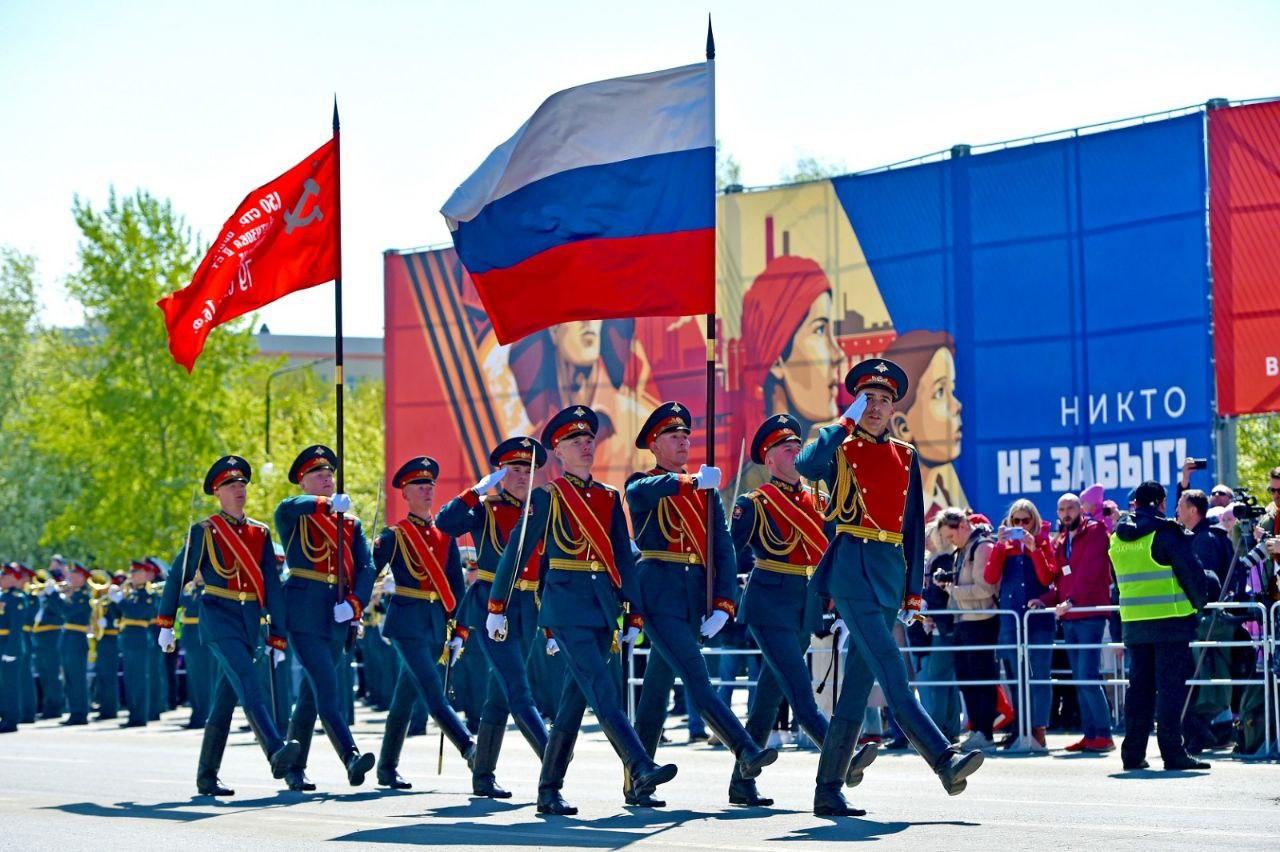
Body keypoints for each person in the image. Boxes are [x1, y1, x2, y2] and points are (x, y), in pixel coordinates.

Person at [796, 358, 984, 816]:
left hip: (886, 570)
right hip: (851, 567)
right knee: (893, 669)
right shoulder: (839, 445)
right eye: (867, 399)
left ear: (894, 406)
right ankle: (944, 759)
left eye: (883, 400)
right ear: (856, 403)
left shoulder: (905, 454)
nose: (875, 407)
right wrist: (844, 421)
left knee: (857, 691)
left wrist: (912, 591)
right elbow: (806, 463)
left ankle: (827, 789)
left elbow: (912, 529)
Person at [486, 405, 678, 815]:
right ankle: (639, 764)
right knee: (604, 691)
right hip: (565, 606)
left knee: (574, 703)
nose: (586, 446)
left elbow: (623, 559)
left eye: (589, 440)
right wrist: (497, 605)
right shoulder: (547, 496)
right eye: (576, 441)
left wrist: (634, 612)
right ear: (557, 451)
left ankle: (548, 789)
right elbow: (516, 554)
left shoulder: (607, 497)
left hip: (601, 608)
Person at [626, 402, 778, 808]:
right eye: (673, 436)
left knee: (656, 692)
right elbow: (639, 494)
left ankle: (636, 778)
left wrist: (724, 603)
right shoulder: (646, 482)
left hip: (693, 596)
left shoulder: (704, 491)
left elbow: (723, 549)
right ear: (654, 445)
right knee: (697, 678)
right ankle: (745, 749)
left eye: (686, 435)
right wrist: (690, 482)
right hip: (657, 593)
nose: (683, 441)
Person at [730, 413, 878, 809]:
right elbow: (729, 555)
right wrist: (719, 602)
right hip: (767, 603)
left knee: (767, 695)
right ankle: (841, 762)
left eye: (797, 444)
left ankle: (741, 782)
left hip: (805, 605)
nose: (794, 450)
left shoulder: (819, 501)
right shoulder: (754, 503)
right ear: (768, 459)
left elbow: (832, 553)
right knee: (801, 695)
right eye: (784, 447)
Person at [156, 455, 301, 796]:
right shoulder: (205, 531)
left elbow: (271, 586)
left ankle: (207, 776)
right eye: (231, 485)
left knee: (224, 702)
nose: (239, 490)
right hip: (218, 616)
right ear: (217, 493)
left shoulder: (259, 532)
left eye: (242, 485)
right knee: (250, 683)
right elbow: (178, 576)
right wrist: (166, 622)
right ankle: (275, 750)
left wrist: (277, 634)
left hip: (249, 621)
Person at [436, 436, 551, 798]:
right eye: (513, 469)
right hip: (490, 605)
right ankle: (554, 760)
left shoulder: (541, 510)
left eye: (526, 470)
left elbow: (546, 566)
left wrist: (549, 623)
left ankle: (482, 774)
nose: (520, 476)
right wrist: (473, 492)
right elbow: (446, 523)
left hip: (528, 605)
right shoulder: (486, 506)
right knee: (518, 686)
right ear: (500, 474)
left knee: (500, 692)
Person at [274, 444, 376, 790]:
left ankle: (294, 768)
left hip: (337, 612)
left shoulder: (350, 523)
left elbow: (367, 567)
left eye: (329, 474)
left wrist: (356, 602)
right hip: (304, 610)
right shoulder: (295, 513)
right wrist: (324, 505)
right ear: (302, 483)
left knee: (311, 693)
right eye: (317, 475)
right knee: (326, 686)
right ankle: (350, 756)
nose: (326, 479)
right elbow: (287, 507)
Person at [371, 456, 476, 789]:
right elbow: (366, 572)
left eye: (430, 484)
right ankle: (469, 747)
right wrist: (352, 598)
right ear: (405, 492)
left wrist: (459, 628)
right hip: (405, 623)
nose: (428, 490)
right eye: (420, 485)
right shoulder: (393, 536)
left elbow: (456, 588)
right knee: (433, 691)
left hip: (434, 623)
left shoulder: (444, 535)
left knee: (405, 696)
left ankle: (387, 767)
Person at [1113, 481, 1211, 771]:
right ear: (1159, 502)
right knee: (1169, 690)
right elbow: (1190, 572)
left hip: (1134, 624)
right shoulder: (1167, 532)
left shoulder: (1116, 537)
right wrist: (1199, 604)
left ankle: (1132, 754)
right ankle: (1173, 753)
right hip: (1170, 622)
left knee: (1139, 690)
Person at [1030, 493, 1116, 752]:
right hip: (1070, 616)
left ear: (1081, 509)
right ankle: (1091, 735)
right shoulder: (1062, 540)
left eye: (1070, 508)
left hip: (1089, 613)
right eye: (1061, 509)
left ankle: (1103, 734)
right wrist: (1042, 600)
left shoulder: (1096, 530)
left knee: (1088, 676)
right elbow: (1058, 580)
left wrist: (1071, 600)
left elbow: (1090, 573)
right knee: (1080, 678)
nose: (1066, 513)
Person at [982, 501, 1055, 750]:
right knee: (1014, 677)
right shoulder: (1004, 546)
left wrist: (1034, 549)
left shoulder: (1044, 542)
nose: (1021, 526)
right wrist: (1000, 547)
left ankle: (1038, 729)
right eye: (1016, 521)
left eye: (1026, 521)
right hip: (1011, 621)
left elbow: (1048, 578)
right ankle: (1020, 728)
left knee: (1039, 676)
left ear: (1034, 520)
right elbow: (990, 578)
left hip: (1038, 621)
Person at [936, 509, 1001, 752]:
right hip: (963, 621)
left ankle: (986, 733)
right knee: (965, 679)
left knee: (982, 678)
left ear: (962, 525)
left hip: (981, 621)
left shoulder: (982, 548)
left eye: (951, 536)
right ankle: (976, 730)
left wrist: (951, 589)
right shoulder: (961, 551)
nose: (950, 542)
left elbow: (985, 589)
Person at [883, 332, 965, 521]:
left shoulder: (952, 507)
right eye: (939, 392)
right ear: (903, 427)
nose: (956, 406)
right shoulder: (892, 507)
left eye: (951, 390)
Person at [112, 559, 158, 727]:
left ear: (144, 575)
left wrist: (120, 601)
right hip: (128, 638)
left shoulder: (148, 595)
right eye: (131, 573)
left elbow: (136, 613)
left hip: (139, 637)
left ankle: (140, 717)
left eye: (135, 573)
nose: (132, 576)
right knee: (130, 679)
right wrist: (113, 600)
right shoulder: (130, 593)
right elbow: (119, 614)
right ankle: (133, 715)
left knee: (139, 679)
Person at [57, 562, 94, 726]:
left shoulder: (83, 597)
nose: (69, 577)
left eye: (74, 574)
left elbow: (66, 612)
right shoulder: (73, 594)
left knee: (77, 678)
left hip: (77, 639)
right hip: (68, 638)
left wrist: (53, 596)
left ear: (82, 578)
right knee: (69, 678)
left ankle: (80, 713)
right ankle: (74, 711)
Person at [33, 558, 67, 719]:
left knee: (53, 673)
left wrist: (52, 594)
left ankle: (56, 707)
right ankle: (48, 705)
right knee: (43, 672)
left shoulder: (57, 595)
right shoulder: (39, 595)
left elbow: (61, 611)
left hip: (52, 635)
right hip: (39, 636)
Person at [0, 562, 32, 733]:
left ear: (13, 578)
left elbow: (16, 628)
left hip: (9, 645)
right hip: (1, 643)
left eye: (4, 576)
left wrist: (10, 651)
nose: (1, 578)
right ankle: (4, 717)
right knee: (2, 684)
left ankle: (11, 720)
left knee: (10, 685)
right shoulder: (3, 597)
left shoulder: (17, 599)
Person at [92, 573, 122, 720]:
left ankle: (110, 710)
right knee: (102, 675)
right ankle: (104, 708)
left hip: (111, 638)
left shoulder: (113, 600)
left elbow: (119, 616)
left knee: (109, 676)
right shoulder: (99, 601)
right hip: (101, 640)